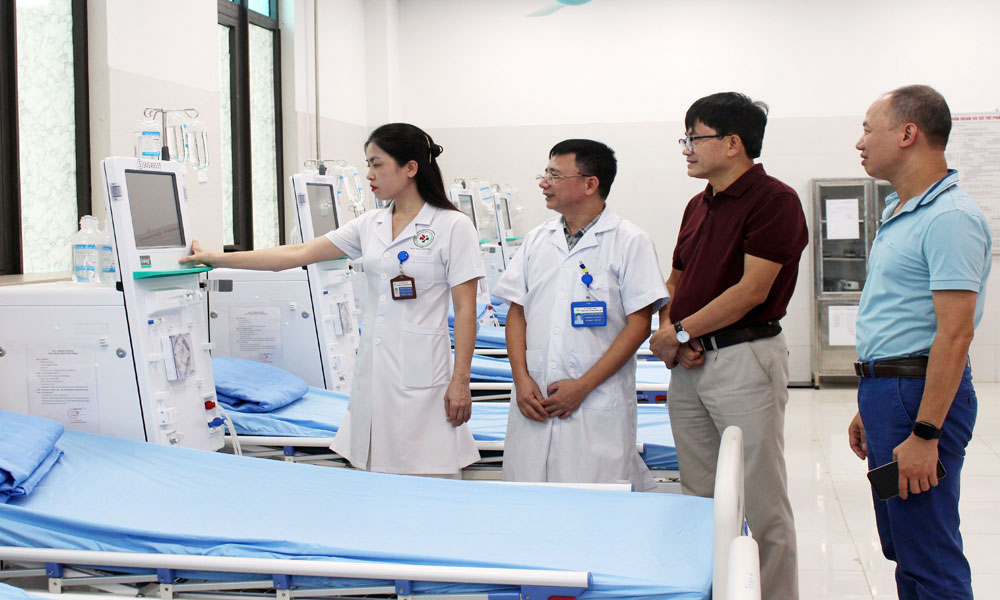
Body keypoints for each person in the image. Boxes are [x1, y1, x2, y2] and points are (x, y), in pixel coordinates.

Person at [183, 123, 484, 477]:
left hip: (426, 377)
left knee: (429, 478)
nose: (369, 174)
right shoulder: (370, 224)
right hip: (374, 374)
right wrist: (217, 259)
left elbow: (466, 310)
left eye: (377, 164)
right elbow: (296, 253)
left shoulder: (453, 226)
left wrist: (461, 380)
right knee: (375, 480)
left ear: (410, 168)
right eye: (368, 164)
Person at [648, 92, 806, 599]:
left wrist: (681, 332)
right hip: (690, 364)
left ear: (733, 143)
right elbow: (675, 283)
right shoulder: (698, 206)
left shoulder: (775, 200)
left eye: (694, 138)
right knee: (700, 498)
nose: (687, 149)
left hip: (744, 358)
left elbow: (752, 290)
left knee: (760, 501)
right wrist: (675, 333)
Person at [848, 85, 991, 599]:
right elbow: (900, 319)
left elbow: (955, 333)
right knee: (904, 544)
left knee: (928, 549)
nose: (860, 142)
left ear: (908, 133)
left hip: (917, 398)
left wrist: (926, 433)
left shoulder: (949, 218)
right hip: (891, 393)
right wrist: (870, 401)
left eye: (869, 129)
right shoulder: (902, 211)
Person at [492, 139, 668, 491]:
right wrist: (521, 379)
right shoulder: (537, 240)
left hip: (595, 400)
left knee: (594, 503)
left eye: (555, 175)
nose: (544, 183)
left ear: (590, 184)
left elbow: (638, 325)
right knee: (528, 501)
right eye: (545, 174)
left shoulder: (629, 241)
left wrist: (583, 386)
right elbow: (516, 312)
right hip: (534, 397)